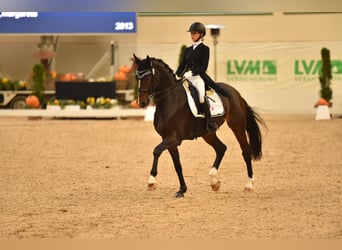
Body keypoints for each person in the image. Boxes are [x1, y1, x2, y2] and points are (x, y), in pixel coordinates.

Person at [175, 22, 218, 132]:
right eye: (191, 33)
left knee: (200, 97)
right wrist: (176, 75)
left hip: (198, 78)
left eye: (194, 33)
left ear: (201, 34)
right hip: (187, 78)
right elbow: (182, 64)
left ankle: (209, 122)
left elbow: (204, 66)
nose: (192, 35)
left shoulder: (205, 49)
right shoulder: (188, 50)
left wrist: (192, 72)